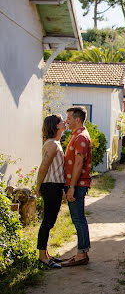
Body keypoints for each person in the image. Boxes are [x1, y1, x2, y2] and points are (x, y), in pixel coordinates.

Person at [61, 107, 92, 267]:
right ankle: (82, 252)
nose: (66, 121)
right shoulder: (78, 135)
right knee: (80, 218)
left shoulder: (80, 137)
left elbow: (78, 163)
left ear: (77, 119)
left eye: (69, 118)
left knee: (78, 219)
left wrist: (71, 186)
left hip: (77, 185)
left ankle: (81, 255)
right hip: (77, 184)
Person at [35, 114, 66, 269]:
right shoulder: (53, 144)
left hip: (55, 186)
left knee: (50, 221)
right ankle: (42, 257)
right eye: (61, 121)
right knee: (48, 221)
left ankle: (46, 254)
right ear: (55, 126)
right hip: (50, 186)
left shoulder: (56, 143)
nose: (64, 122)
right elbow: (44, 167)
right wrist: (37, 187)